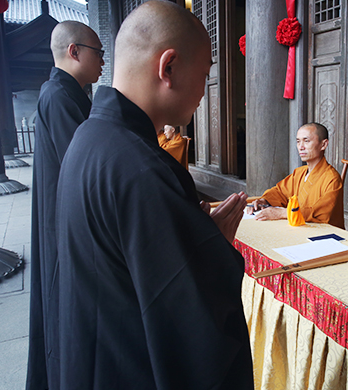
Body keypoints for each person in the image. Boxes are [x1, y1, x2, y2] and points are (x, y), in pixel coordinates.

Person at [55, 2, 253, 388]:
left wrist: (192, 238)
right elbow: (189, 322)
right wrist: (213, 250)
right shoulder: (143, 168)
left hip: (96, 354)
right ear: (169, 67)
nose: (204, 89)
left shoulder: (90, 138)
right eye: (205, 73)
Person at [27, 21, 104, 390]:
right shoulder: (58, 95)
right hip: (65, 220)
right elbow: (84, 162)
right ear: (74, 52)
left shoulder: (67, 93)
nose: (103, 62)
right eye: (98, 52)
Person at [247, 122, 344, 228]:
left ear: (323, 144)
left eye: (306, 141)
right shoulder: (299, 173)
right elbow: (280, 193)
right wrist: (264, 201)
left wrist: (281, 213)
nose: (301, 147)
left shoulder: (332, 178)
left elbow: (321, 212)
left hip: (325, 236)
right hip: (301, 229)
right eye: (298, 142)